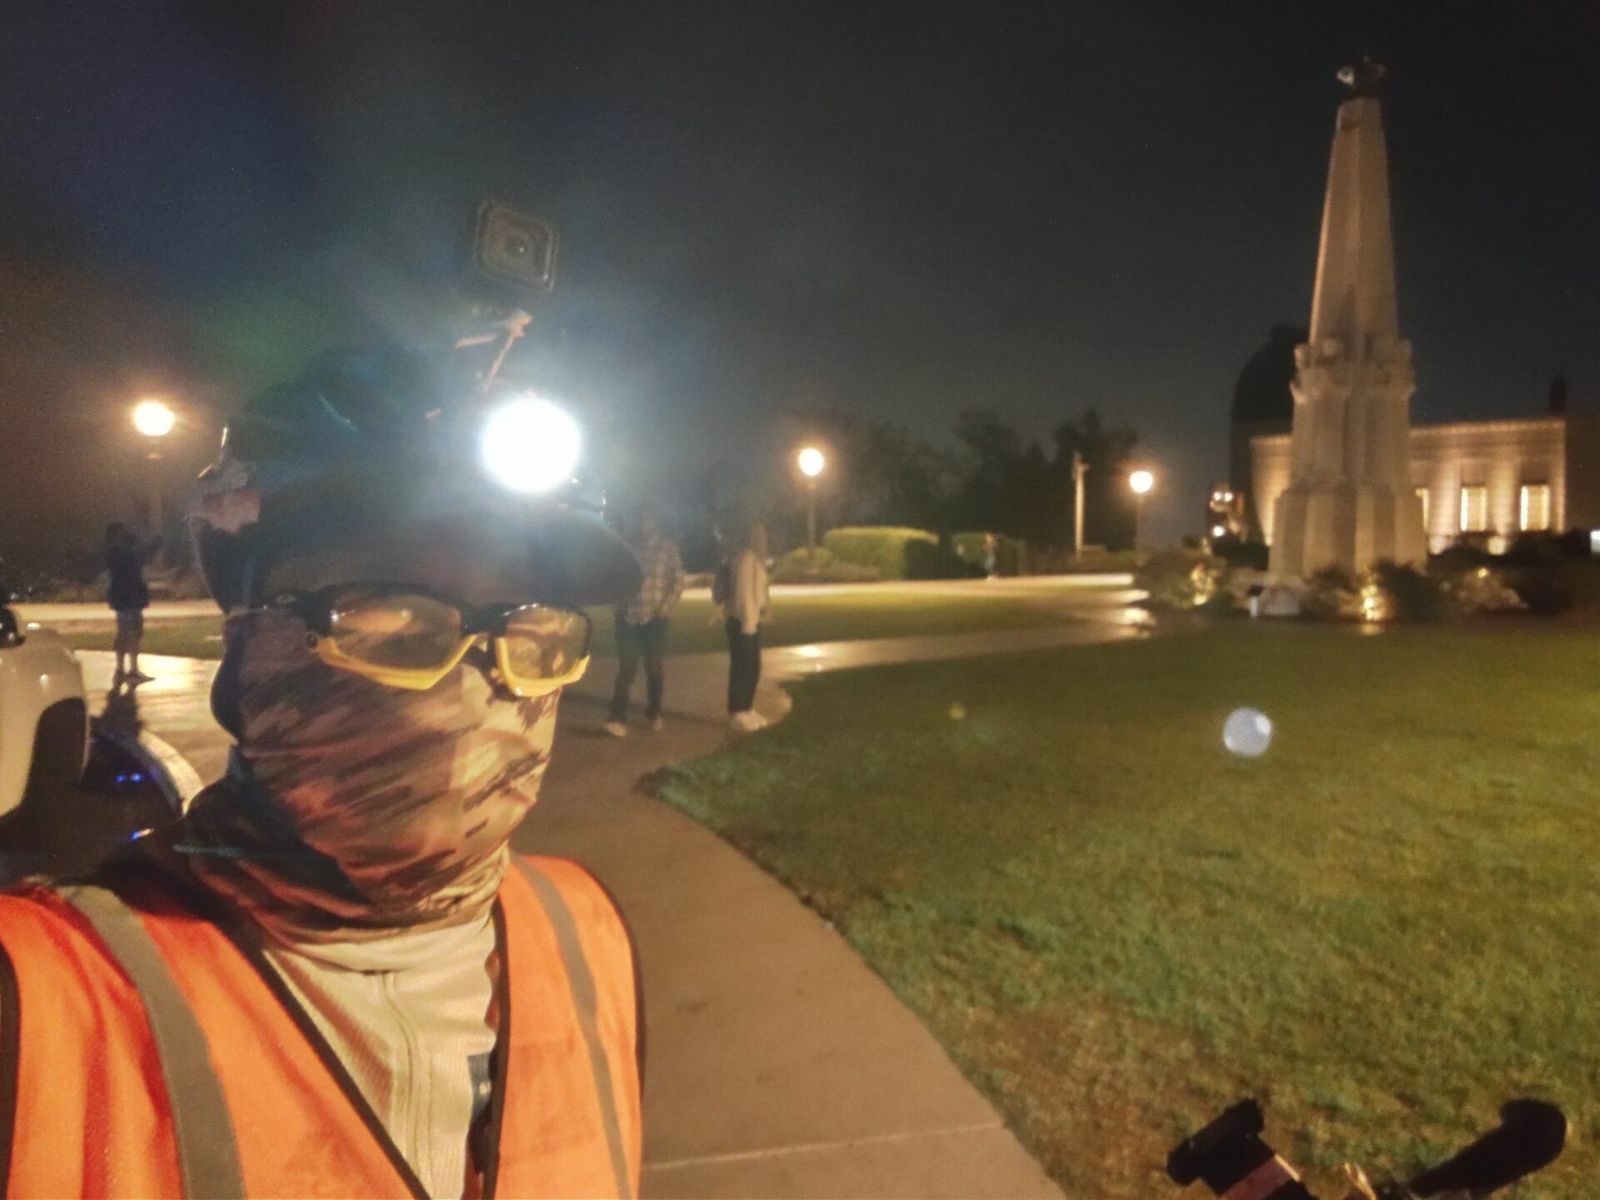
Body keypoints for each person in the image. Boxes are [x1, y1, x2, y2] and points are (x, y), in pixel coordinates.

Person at [0, 224, 647, 1195]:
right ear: (249, 647)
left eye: (533, 635)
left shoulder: (589, 939)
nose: (474, 689)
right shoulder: (43, 1007)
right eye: (392, 624)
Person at [604, 505, 684, 737]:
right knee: (626, 667)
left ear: (656, 522)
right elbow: (615, 578)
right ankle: (617, 718)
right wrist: (618, 604)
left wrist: (664, 608)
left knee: (653, 667)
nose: (642, 524)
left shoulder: (668, 549)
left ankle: (654, 712)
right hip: (628, 616)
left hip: (655, 617)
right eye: (639, 519)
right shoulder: (626, 548)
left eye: (647, 519)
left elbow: (677, 580)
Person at [722, 520, 770, 732]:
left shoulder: (754, 560)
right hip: (743, 622)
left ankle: (747, 707)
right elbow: (743, 595)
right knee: (743, 666)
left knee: (753, 666)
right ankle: (738, 711)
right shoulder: (746, 559)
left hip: (751, 621)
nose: (763, 539)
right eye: (759, 535)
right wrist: (748, 622)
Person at [104, 521, 154, 683]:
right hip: (130, 597)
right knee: (132, 632)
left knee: (124, 632)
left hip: (122, 597)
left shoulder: (113, 552)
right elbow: (140, 561)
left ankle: (122, 669)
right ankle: (131, 669)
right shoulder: (124, 552)